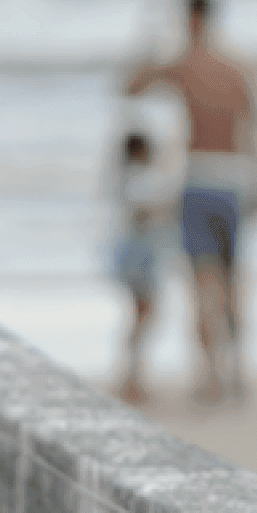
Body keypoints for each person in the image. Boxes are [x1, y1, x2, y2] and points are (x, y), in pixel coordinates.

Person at [124, 0, 257, 407]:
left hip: (199, 179)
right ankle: (236, 372)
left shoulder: (184, 64)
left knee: (203, 283)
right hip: (235, 178)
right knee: (233, 280)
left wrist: (148, 44)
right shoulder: (239, 68)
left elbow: (130, 87)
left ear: (187, 17)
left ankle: (210, 376)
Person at [106, 126, 175, 404]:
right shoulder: (137, 179)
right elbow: (142, 213)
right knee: (144, 316)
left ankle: (132, 376)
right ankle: (132, 378)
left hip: (133, 254)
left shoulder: (124, 178)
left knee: (141, 316)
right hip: (139, 256)